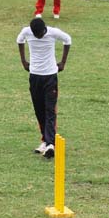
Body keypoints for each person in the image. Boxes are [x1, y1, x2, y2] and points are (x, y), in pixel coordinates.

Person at [16, 18, 72, 158]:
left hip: (50, 76)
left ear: (44, 30)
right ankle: (45, 140)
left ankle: (50, 144)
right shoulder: (27, 31)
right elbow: (20, 40)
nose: (37, 37)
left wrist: (63, 62)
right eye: (35, 35)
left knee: (50, 110)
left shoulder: (53, 33)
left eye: (39, 34)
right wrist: (23, 61)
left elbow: (68, 40)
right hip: (34, 76)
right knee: (39, 110)